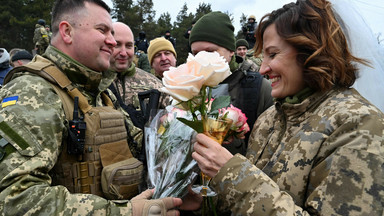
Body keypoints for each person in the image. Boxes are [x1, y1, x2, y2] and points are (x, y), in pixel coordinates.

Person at [191, 0, 384, 215]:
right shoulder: (268, 119)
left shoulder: (359, 124)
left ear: (312, 51)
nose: (263, 69)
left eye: (273, 54)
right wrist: (207, 201)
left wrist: (231, 175)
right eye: (263, 56)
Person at [0, 0, 181, 215]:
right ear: (67, 31)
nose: (113, 42)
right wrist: (127, 212)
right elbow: (15, 199)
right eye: (102, 30)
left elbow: (141, 148)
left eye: (112, 33)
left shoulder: (99, 92)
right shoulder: (33, 91)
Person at [189, 11, 274, 155]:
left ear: (231, 51)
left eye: (210, 51)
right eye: (196, 54)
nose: (202, 59)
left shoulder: (260, 88)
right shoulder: (190, 90)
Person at [107, 22, 167, 130]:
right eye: (117, 45)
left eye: (129, 46)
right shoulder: (94, 82)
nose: (124, 53)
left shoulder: (153, 83)